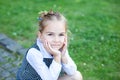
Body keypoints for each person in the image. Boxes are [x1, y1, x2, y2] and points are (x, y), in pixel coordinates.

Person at [16, 10, 83, 80]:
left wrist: (63, 56)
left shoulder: (60, 48)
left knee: (76, 76)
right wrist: (57, 56)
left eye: (61, 34)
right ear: (40, 35)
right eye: (50, 34)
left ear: (65, 36)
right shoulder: (34, 53)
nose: (56, 40)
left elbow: (72, 71)